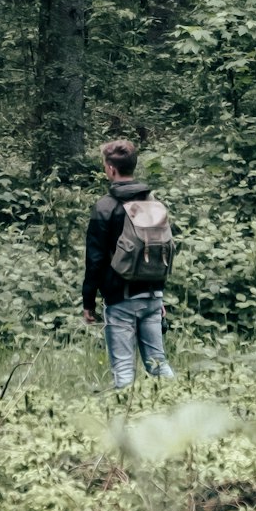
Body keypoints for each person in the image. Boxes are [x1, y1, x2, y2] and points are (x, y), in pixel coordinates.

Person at [82, 139, 174, 390]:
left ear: (111, 169)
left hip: (120, 299)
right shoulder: (153, 203)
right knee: (158, 364)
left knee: (123, 370)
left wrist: (88, 302)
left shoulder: (106, 207)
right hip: (153, 295)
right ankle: (178, 408)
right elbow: (158, 249)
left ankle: (125, 423)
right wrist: (158, 293)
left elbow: (95, 260)